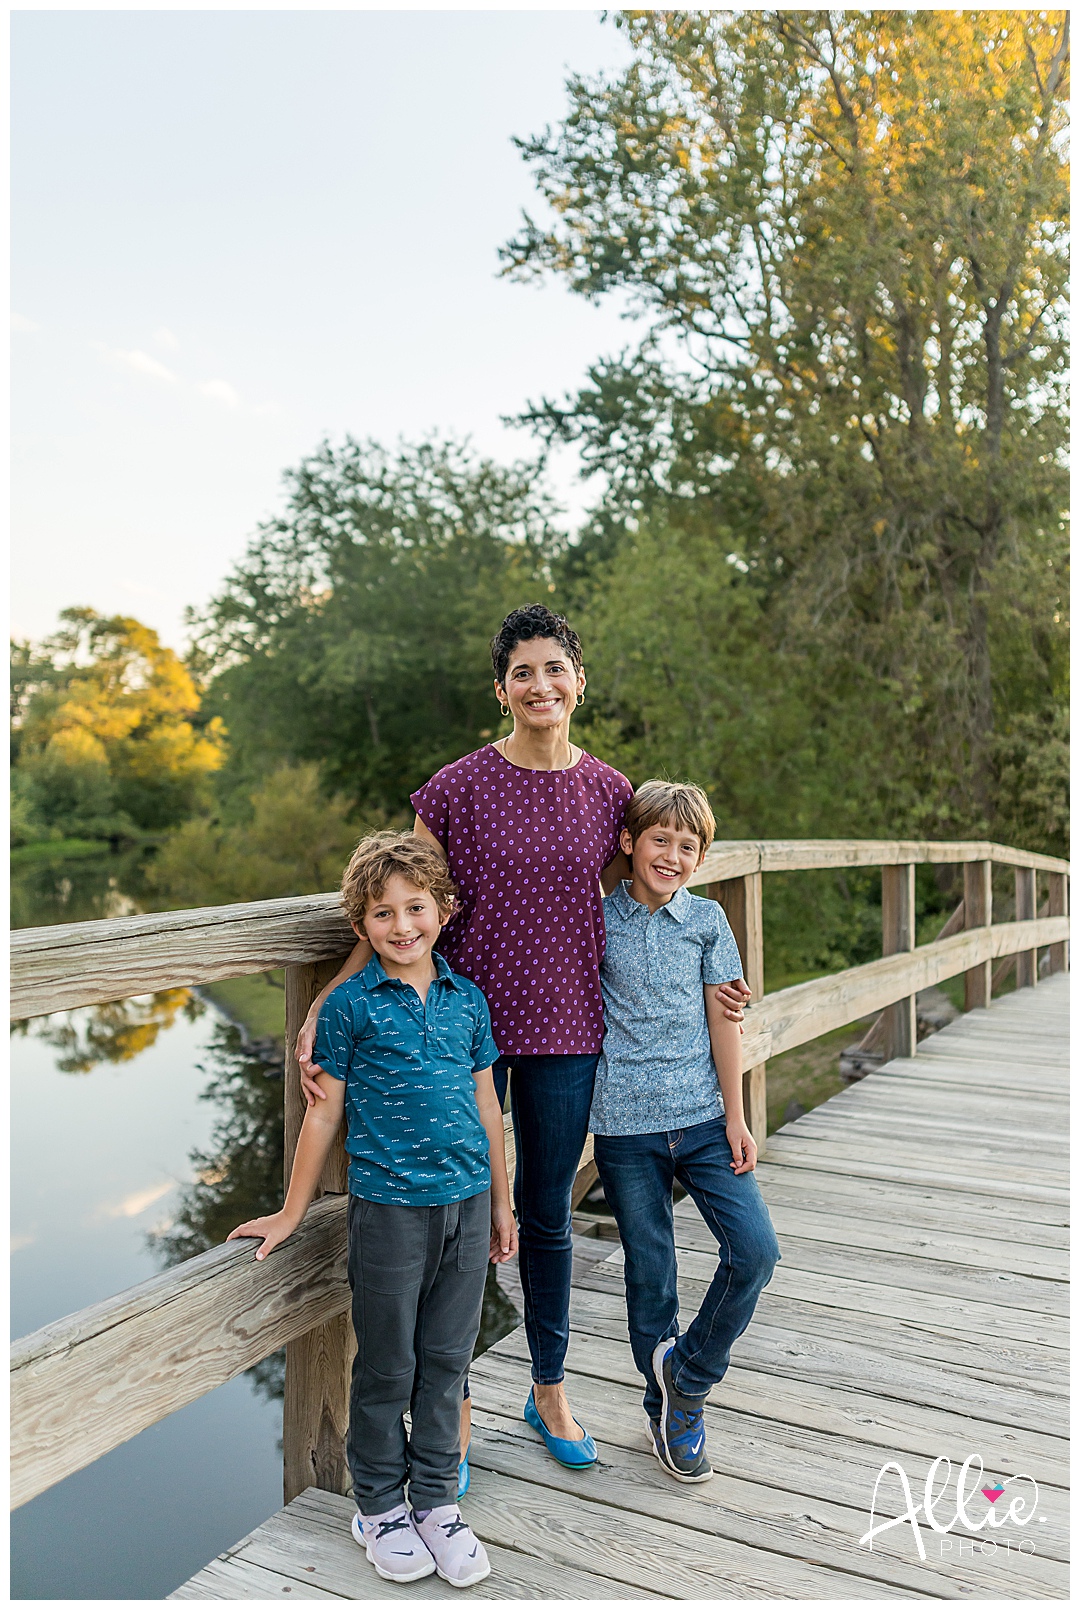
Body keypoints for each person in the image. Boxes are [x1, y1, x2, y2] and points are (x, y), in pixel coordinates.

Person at [294, 604, 752, 1478]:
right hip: (459, 1028)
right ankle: (453, 1405)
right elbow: (403, 893)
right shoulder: (456, 787)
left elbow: (657, 892)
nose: (540, 685)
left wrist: (712, 981)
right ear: (501, 690)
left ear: (579, 681)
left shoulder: (613, 792)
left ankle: (548, 1389)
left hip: (570, 1030)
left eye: (555, 669)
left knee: (544, 1219)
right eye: (522, 673)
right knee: (456, 1218)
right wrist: (340, 988)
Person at [228, 832, 516, 1588]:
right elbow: (323, 1116)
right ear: (360, 926)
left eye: (415, 908)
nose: (402, 926)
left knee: (448, 1362)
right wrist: (291, 1214)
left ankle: (435, 1502)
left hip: (467, 1203)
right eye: (382, 914)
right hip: (389, 1210)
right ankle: (380, 1508)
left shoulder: (467, 1001)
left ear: (443, 911)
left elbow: (489, 1108)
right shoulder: (350, 1008)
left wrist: (502, 1202)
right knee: (389, 1364)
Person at [589, 779, 781, 1483]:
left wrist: (736, 1116)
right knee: (652, 1276)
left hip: (702, 1119)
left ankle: (688, 1376)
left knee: (756, 1251)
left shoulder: (707, 922)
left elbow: (723, 1021)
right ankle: (665, 1411)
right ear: (629, 844)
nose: (672, 855)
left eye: (687, 846)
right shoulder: (597, 920)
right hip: (625, 1126)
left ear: (702, 857)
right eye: (659, 840)